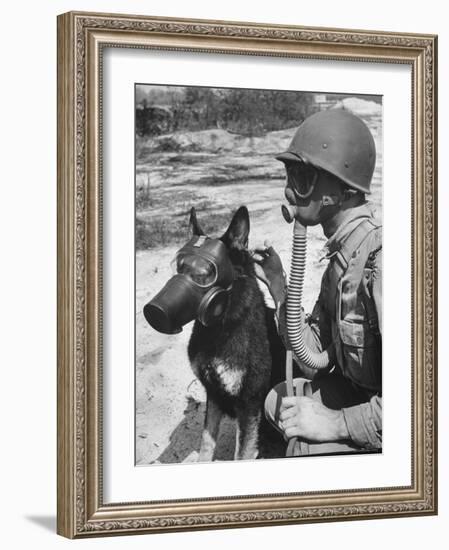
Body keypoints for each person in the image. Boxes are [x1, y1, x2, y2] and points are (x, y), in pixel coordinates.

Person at [255, 109, 382, 455]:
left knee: (305, 446)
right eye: (290, 175)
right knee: (278, 401)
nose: (289, 191)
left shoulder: (380, 261)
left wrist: (334, 423)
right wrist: (280, 288)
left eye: (302, 177)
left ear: (339, 190)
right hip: (358, 391)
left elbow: (422, 402)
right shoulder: (342, 259)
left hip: (388, 415)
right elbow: (311, 352)